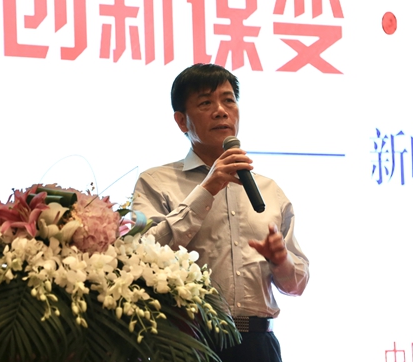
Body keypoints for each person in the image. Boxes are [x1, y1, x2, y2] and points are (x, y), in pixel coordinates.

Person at [132, 63, 309, 362]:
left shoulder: (269, 190)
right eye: (205, 103)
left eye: (229, 100)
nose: (220, 111)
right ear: (181, 121)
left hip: (258, 345)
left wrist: (281, 261)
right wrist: (208, 188)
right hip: (189, 342)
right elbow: (143, 253)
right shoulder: (155, 182)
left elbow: (297, 285)